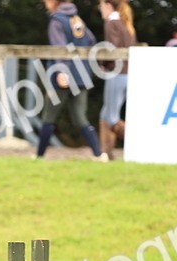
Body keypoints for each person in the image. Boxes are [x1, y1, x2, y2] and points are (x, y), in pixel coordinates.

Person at [36, 0, 105, 162]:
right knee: (80, 117)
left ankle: (39, 156)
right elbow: (91, 41)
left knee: (48, 116)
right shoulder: (77, 20)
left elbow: (59, 48)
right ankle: (98, 154)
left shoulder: (57, 21)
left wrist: (62, 71)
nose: (45, 3)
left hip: (63, 75)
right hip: (81, 76)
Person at [97, 0, 135, 161]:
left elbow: (111, 49)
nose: (100, 9)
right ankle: (106, 153)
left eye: (101, 6)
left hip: (116, 73)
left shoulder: (111, 23)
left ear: (108, 5)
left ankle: (137, 141)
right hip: (127, 73)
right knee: (105, 113)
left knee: (111, 116)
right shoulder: (126, 23)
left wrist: (103, 63)